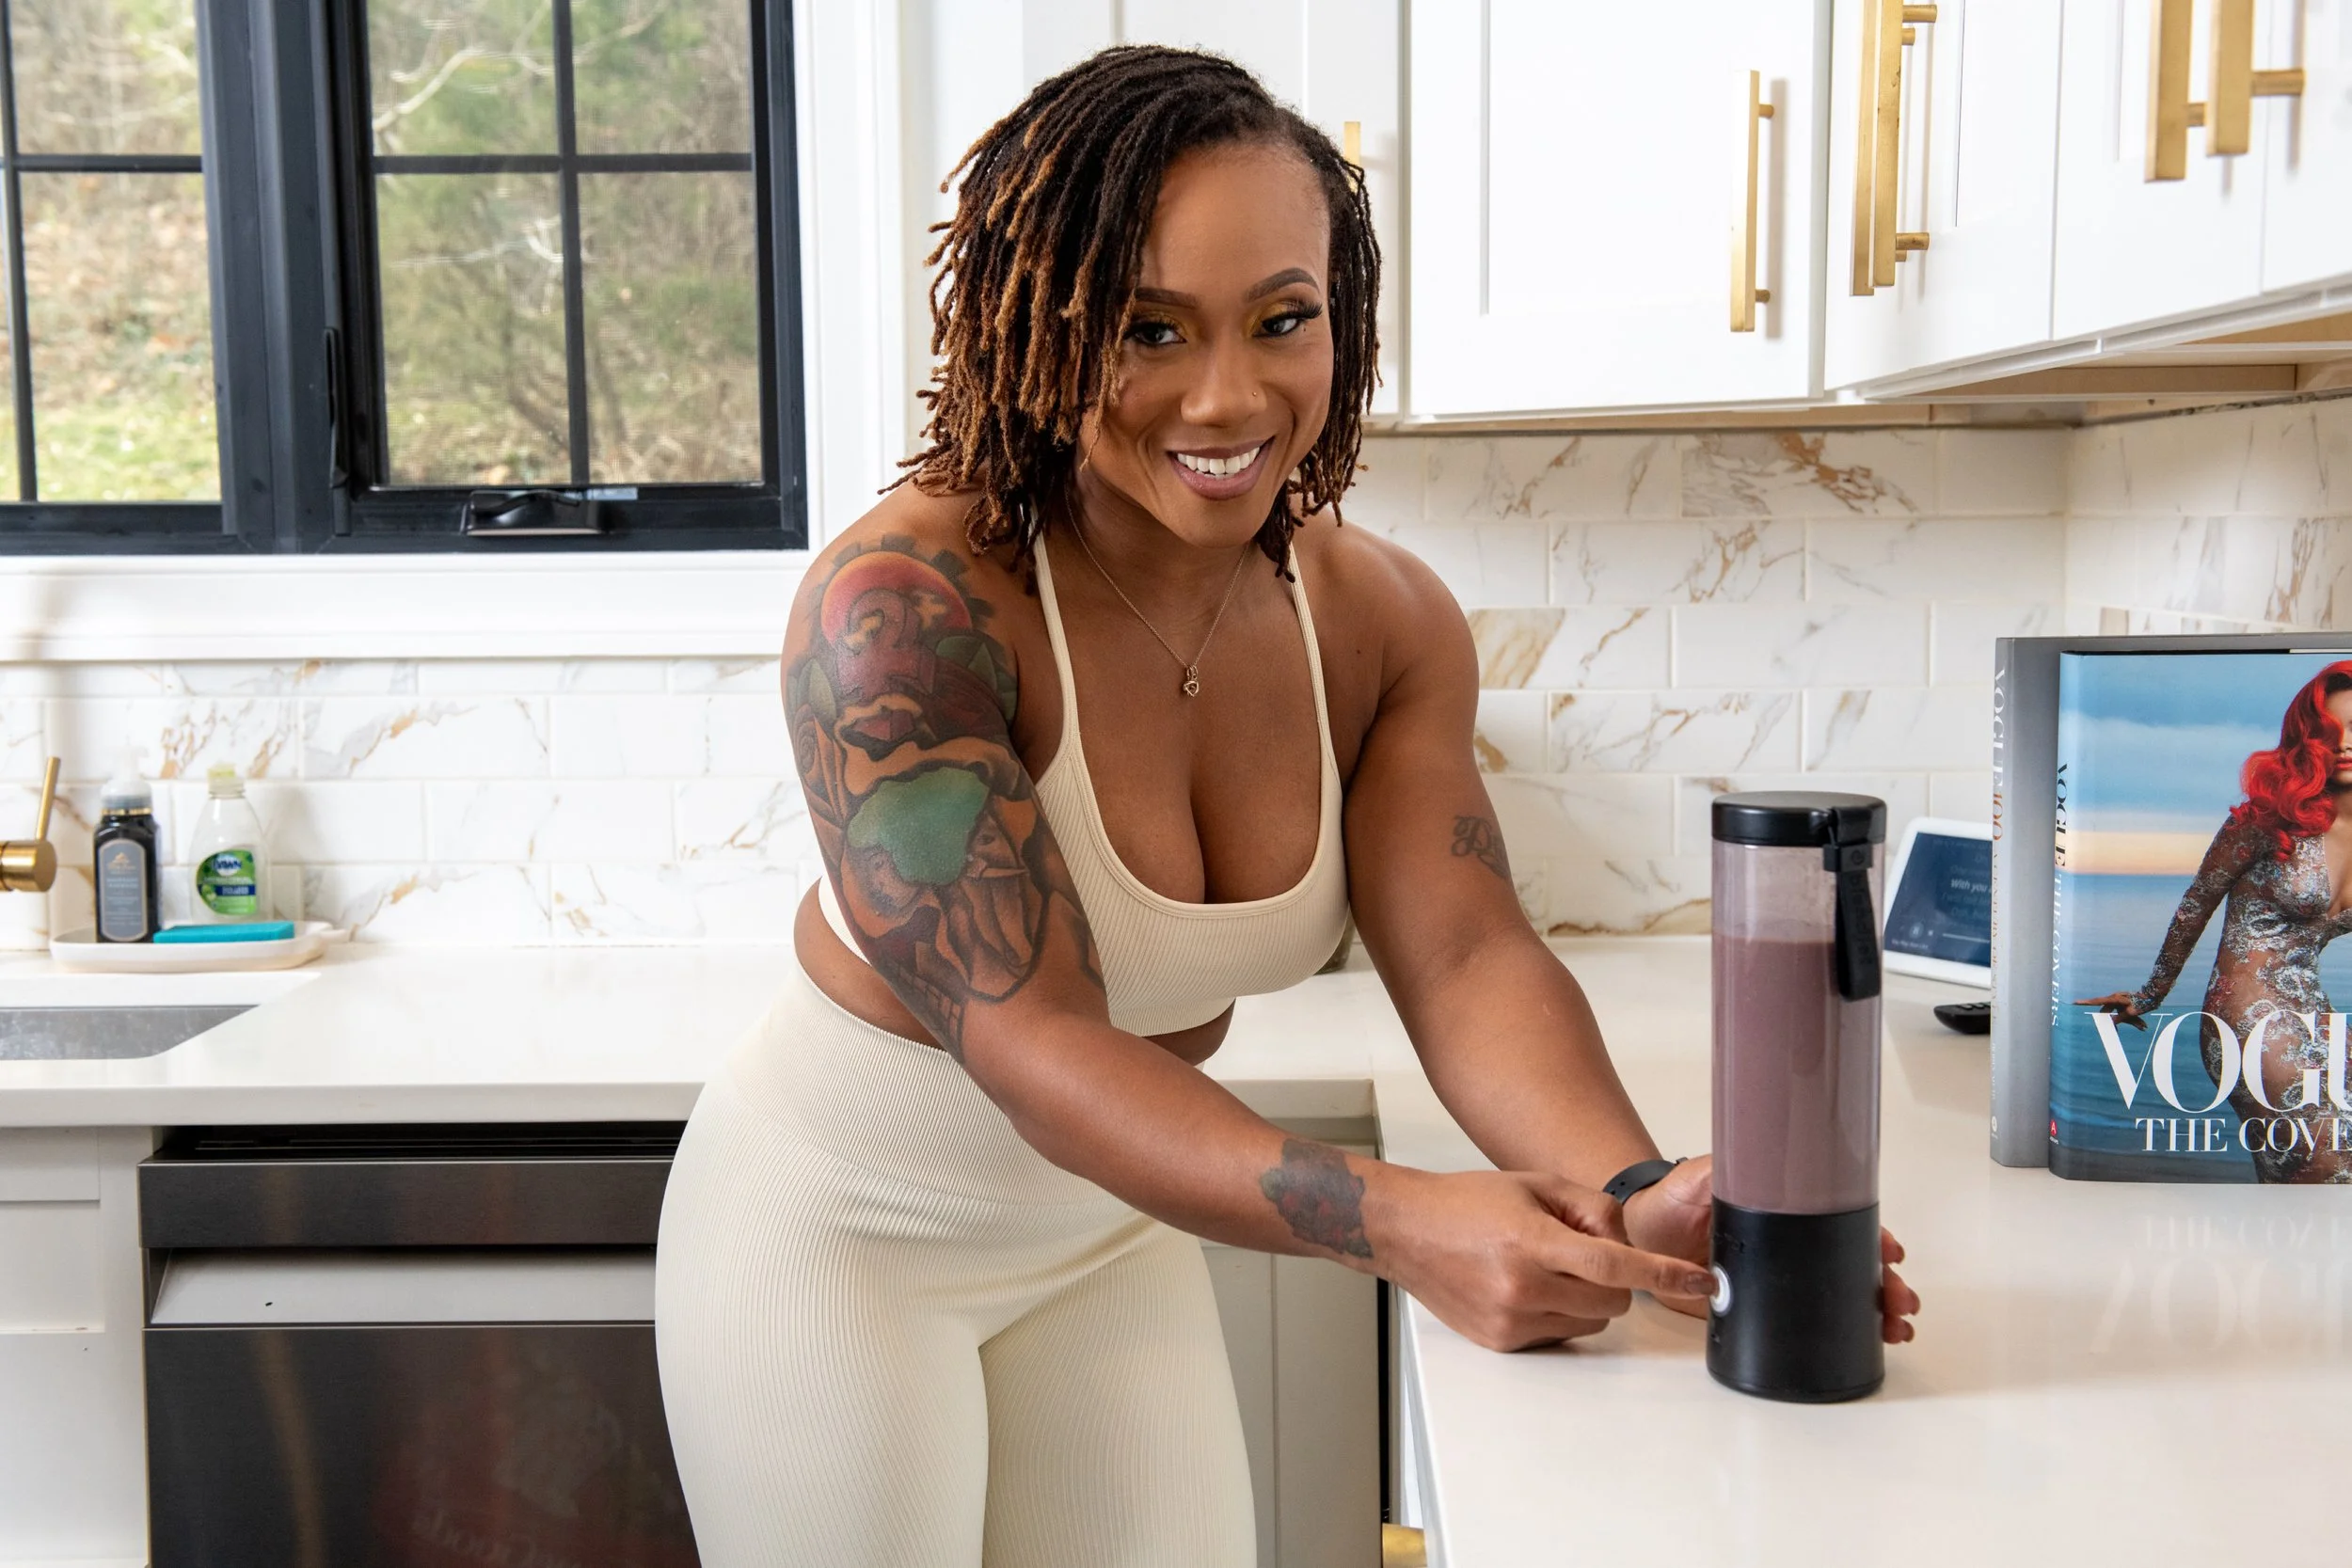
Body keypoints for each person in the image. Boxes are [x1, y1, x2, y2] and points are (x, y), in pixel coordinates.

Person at [655, 45, 1919, 1567]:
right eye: (1148, 329)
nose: (1228, 394)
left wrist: (1631, 1190)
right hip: (837, 1237)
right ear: (1033, 325)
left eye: (1283, 319)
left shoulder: (1383, 623)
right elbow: (1043, 1046)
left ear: (1346, 314)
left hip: (1102, 1238)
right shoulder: (906, 607)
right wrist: (1402, 1217)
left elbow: (1464, 955)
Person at [2078, 658, 2352, 1182]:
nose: (2342, 745)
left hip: (2315, 1010)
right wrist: (2150, 994)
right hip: (2245, 1013)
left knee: (2322, 1161)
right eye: (2329, 732)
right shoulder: (2266, 821)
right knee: (2322, 1162)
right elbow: (2195, 904)